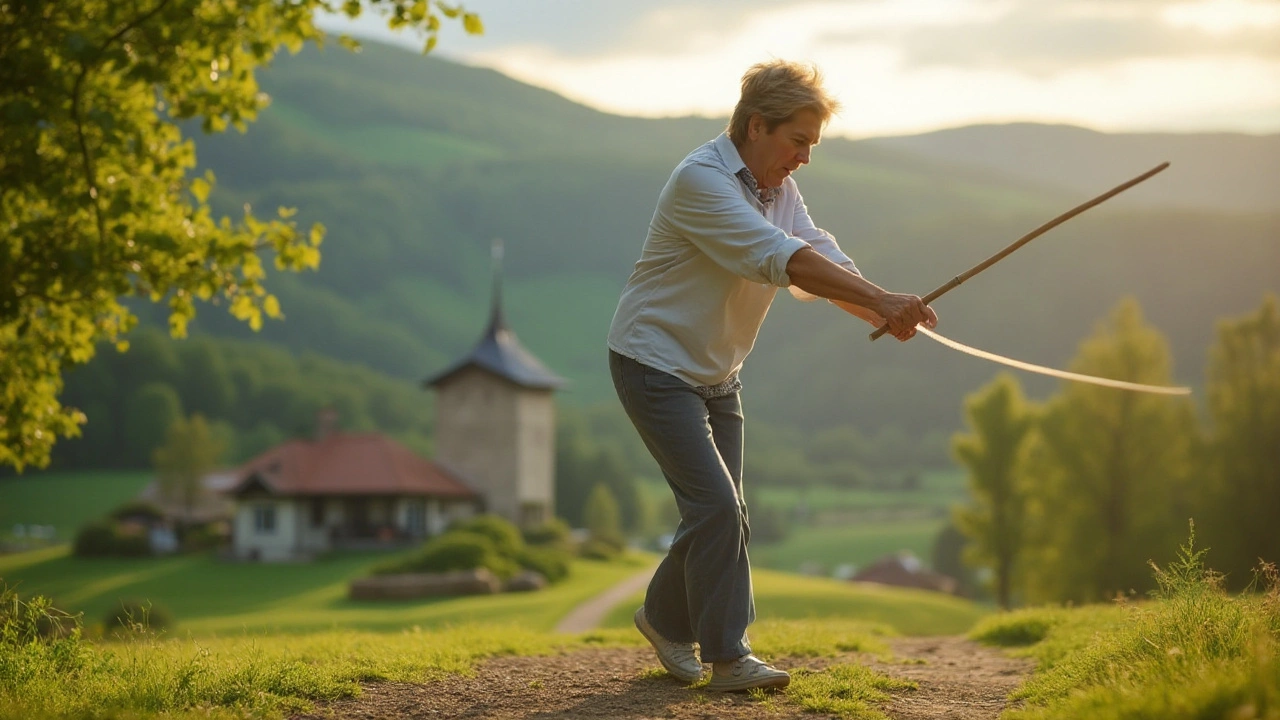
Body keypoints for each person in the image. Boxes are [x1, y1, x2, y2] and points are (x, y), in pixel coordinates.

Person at [606, 60, 937, 693]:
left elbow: (820, 250)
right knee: (718, 510)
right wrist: (882, 299)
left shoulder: (775, 185)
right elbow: (779, 257)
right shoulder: (700, 180)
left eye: (812, 146)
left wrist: (881, 307)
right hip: (653, 363)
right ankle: (729, 658)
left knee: (723, 515)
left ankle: (664, 619)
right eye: (799, 142)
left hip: (717, 371)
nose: (805, 159)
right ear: (757, 125)